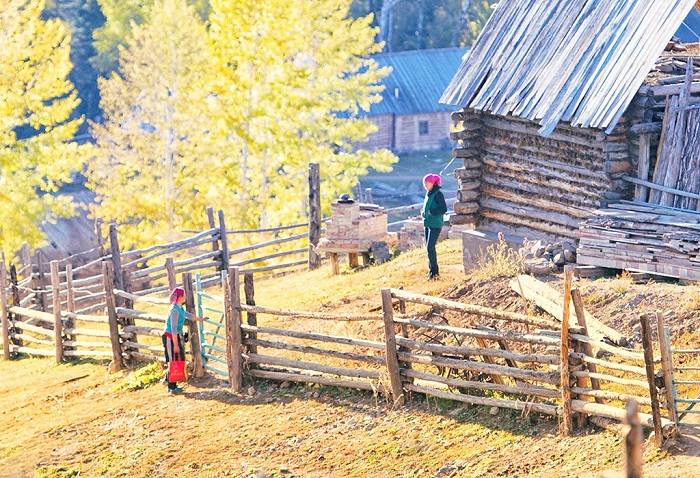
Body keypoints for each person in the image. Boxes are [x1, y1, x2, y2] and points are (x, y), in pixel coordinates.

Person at [162, 286, 207, 394]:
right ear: (180, 296)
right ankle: (171, 386)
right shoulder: (174, 310)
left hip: (174, 336)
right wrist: (176, 345)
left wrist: (200, 319)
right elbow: (173, 329)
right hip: (170, 337)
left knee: (179, 358)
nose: (186, 296)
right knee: (172, 360)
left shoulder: (179, 307)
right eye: (184, 294)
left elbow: (188, 315)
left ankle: (168, 380)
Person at [421, 173, 447, 280]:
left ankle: (435, 273)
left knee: (430, 247)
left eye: (427, 183)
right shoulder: (429, 193)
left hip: (435, 225)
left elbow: (443, 209)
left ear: (433, 183)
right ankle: (431, 271)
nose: (425, 185)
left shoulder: (438, 194)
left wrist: (432, 212)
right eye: (424, 183)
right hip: (428, 223)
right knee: (428, 248)